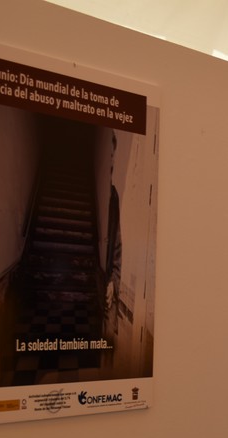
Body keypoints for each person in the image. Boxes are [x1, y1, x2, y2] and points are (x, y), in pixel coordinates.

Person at [105, 130, 122, 335]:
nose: (111, 160)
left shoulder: (113, 196)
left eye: (112, 155)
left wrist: (113, 283)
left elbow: (117, 247)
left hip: (106, 284)